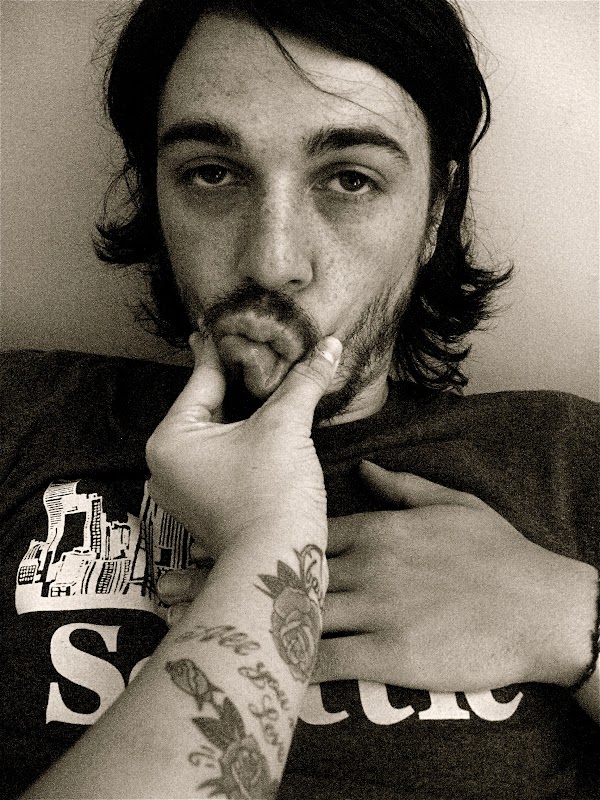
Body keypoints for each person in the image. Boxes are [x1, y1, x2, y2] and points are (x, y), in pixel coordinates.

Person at [1, 0, 598, 798]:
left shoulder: (567, 454)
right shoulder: (22, 415)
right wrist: (266, 543)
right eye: (212, 173)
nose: (272, 260)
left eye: (350, 179)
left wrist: (575, 622)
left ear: (434, 211)